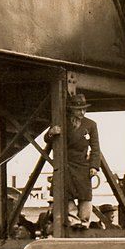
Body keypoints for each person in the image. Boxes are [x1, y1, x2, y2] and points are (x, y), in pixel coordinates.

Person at [45, 93, 100, 229]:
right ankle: (74, 221)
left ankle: (84, 222)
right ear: (71, 109)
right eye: (78, 109)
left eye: (84, 109)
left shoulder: (91, 125)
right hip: (66, 164)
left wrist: (94, 166)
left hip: (83, 165)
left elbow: (95, 148)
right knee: (65, 193)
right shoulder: (61, 122)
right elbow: (47, 139)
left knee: (85, 196)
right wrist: (52, 132)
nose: (82, 112)